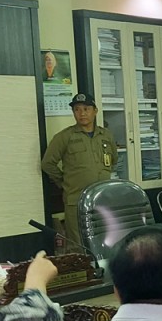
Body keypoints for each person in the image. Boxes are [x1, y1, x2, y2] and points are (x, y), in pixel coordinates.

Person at [40, 93, 118, 244]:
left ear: (95, 111)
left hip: (102, 199)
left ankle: (102, 268)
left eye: (86, 109)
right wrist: (63, 182)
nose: (82, 113)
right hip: (76, 200)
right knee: (79, 243)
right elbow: (47, 163)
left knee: (104, 240)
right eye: (77, 109)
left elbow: (113, 159)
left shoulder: (106, 135)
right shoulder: (65, 137)